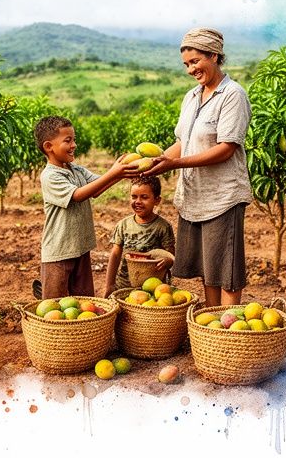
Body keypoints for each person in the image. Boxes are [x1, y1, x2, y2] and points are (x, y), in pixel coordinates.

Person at [136, 27, 253, 307]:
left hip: (222, 197)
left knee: (226, 271)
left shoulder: (232, 95)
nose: (191, 69)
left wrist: (174, 164)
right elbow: (183, 142)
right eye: (187, 64)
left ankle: (226, 327)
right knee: (208, 269)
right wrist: (156, 163)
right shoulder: (191, 97)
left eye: (195, 61)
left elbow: (226, 148)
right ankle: (211, 323)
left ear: (214, 56)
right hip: (194, 196)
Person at [32, 115, 130, 300]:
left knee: (84, 301)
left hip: (81, 248)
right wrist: (113, 172)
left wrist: (122, 173)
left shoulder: (76, 170)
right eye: (68, 140)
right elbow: (78, 195)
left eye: (74, 140)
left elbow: (97, 188)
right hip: (59, 252)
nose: (74, 145)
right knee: (54, 304)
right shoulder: (50, 176)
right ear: (48, 146)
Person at [102, 176, 176, 298]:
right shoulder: (123, 225)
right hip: (124, 285)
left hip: (153, 288)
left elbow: (170, 253)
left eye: (144, 197)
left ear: (157, 200)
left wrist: (168, 261)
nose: (138, 201)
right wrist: (109, 285)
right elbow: (115, 255)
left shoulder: (163, 226)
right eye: (134, 197)